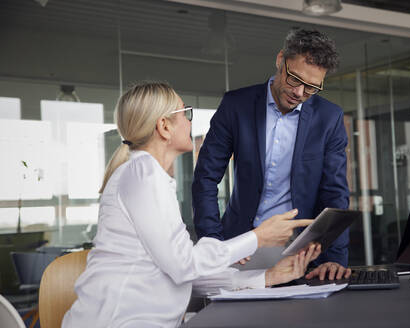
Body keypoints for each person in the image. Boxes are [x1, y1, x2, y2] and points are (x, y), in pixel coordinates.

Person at [62, 82, 320, 328]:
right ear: (164, 126)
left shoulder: (149, 176)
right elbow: (184, 265)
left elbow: (179, 270)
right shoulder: (143, 175)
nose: (189, 121)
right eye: (185, 113)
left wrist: (266, 277)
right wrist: (258, 237)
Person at [192, 28, 352, 281]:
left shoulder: (329, 118)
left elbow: (335, 194)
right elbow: (205, 177)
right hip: (240, 244)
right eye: (294, 79)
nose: (299, 93)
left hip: (298, 251)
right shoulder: (237, 105)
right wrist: (214, 242)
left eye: (311, 87)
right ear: (280, 60)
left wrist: (334, 258)